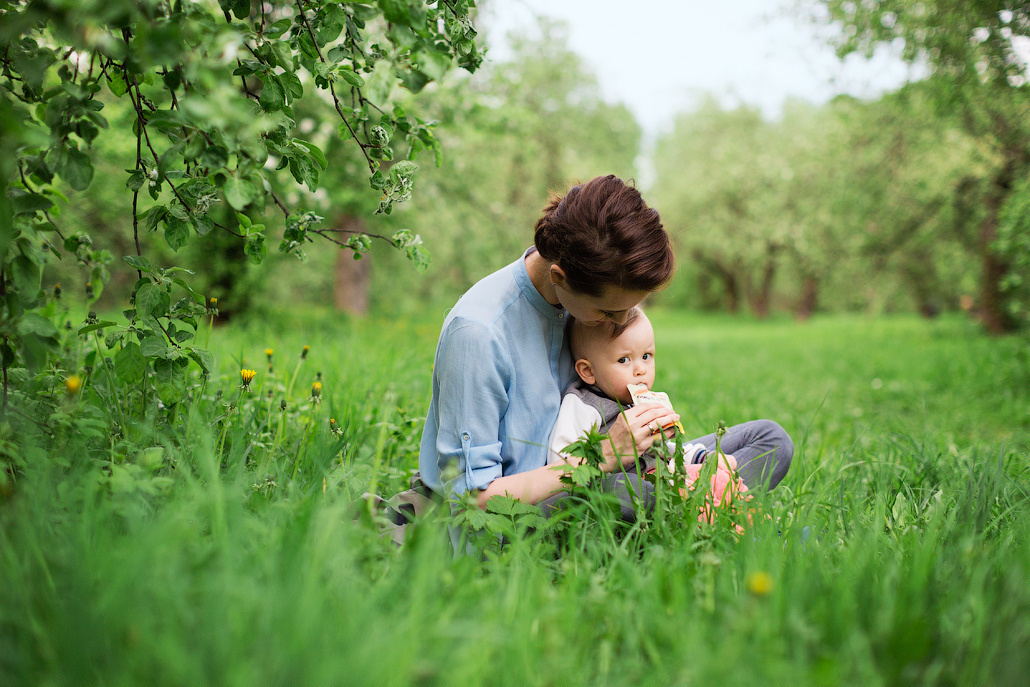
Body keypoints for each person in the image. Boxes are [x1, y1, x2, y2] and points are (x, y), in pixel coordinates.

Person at [418, 175, 791, 518]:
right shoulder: (479, 334)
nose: (620, 322)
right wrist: (603, 457)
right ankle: (713, 512)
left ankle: (700, 501)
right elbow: (473, 498)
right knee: (630, 494)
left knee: (770, 441)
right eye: (609, 311)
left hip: (617, 466)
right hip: (535, 506)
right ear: (559, 277)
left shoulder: (582, 295)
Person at [545, 306, 757, 524]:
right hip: (619, 491)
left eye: (646, 356)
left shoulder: (638, 402)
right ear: (588, 371)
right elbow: (560, 463)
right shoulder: (583, 406)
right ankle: (701, 513)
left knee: (770, 437)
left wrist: (702, 458)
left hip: (660, 477)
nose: (641, 370)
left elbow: (663, 451)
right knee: (630, 488)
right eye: (624, 360)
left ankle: (711, 505)